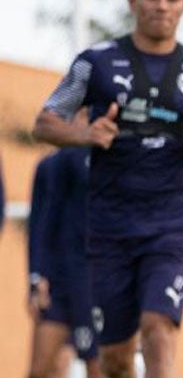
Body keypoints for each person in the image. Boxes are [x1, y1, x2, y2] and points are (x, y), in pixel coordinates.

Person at [33, 0, 183, 378]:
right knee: (115, 360)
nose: (161, 5)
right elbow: (45, 122)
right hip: (109, 232)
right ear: (132, 0)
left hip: (171, 228)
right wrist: (85, 135)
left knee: (158, 328)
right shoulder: (96, 63)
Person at [27, 145, 100, 378]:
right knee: (41, 368)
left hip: (94, 279)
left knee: (97, 365)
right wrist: (36, 274)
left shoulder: (109, 155)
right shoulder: (50, 164)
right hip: (58, 279)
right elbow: (38, 224)